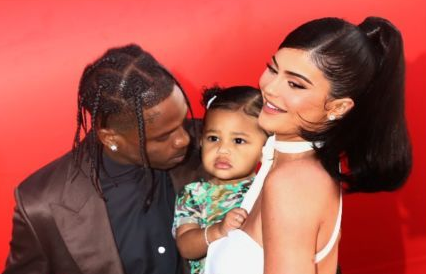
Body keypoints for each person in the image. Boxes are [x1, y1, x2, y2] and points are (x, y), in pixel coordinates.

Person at [204, 17, 412, 274]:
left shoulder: (291, 184)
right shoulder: (290, 160)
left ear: (337, 107)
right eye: (272, 68)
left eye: (295, 84)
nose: (270, 88)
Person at [4, 44, 207, 274]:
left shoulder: (212, 144)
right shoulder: (42, 205)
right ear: (111, 138)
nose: (184, 139)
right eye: (163, 137)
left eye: (182, 121)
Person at [173, 86, 268, 274]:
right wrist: (218, 230)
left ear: (264, 149)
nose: (223, 149)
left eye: (238, 141)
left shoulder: (268, 190)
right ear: (201, 141)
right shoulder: (194, 193)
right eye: (213, 138)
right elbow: (186, 246)